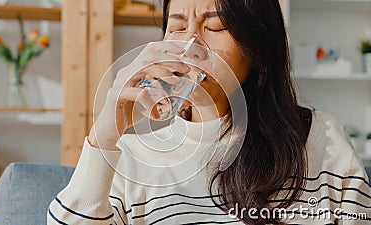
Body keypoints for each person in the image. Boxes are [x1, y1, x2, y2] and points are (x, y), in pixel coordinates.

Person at [47, 0, 371, 224]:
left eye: (214, 27)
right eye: (175, 28)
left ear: (257, 45)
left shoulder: (322, 141)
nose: (190, 45)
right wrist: (104, 133)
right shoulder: (135, 154)